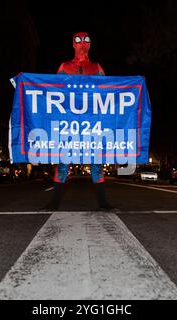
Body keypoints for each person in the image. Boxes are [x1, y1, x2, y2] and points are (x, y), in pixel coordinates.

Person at [42, 32, 114, 211]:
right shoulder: (65, 66)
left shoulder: (96, 67)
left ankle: (103, 203)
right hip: (69, 123)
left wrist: (135, 84)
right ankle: (54, 202)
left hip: (91, 123)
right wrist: (24, 83)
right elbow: (51, 90)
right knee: (64, 161)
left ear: (90, 44)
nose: (83, 44)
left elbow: (110, 91)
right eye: (78, 40)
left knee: (96, 162)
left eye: (86, 40)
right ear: (73, 44)